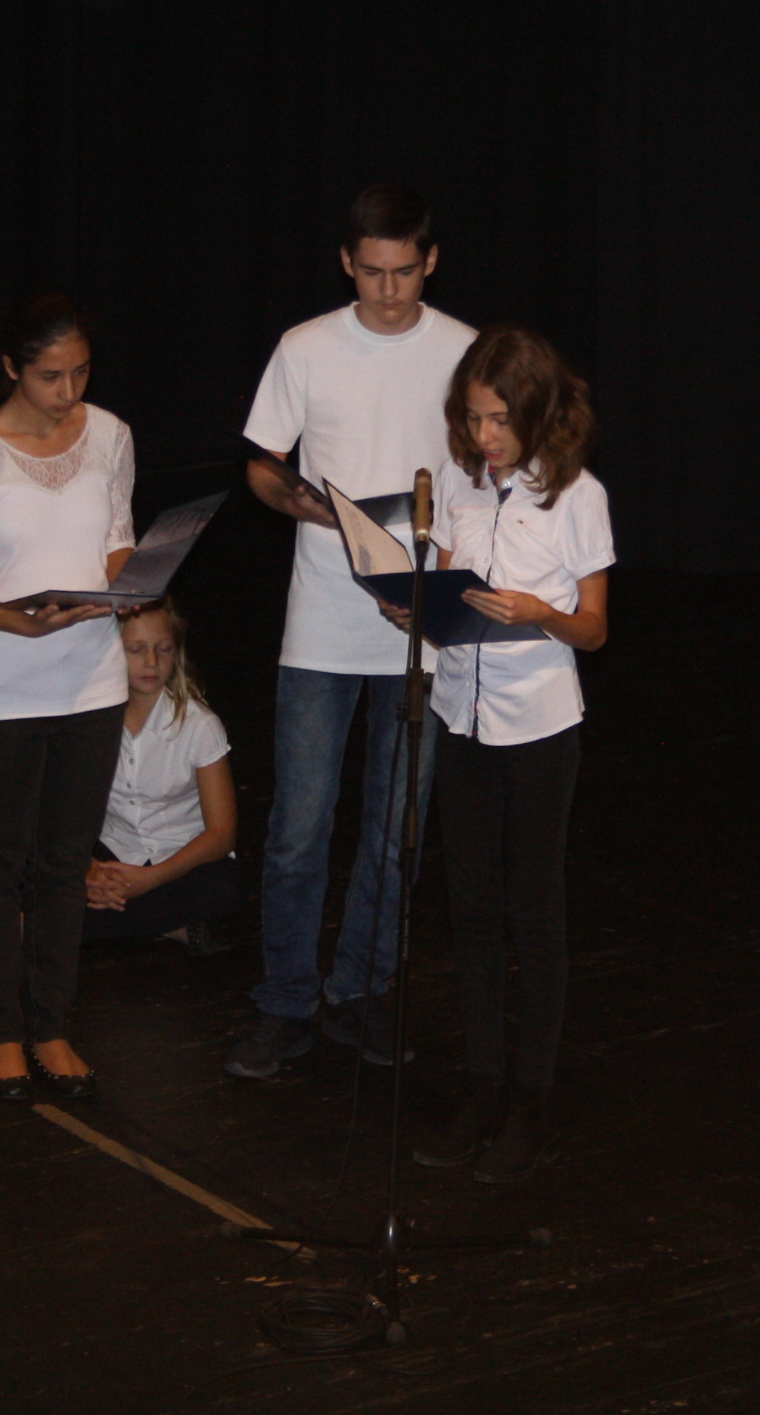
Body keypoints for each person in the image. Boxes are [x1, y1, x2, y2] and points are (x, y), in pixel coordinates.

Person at [225, 184, 477, 1080]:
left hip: (421, 622)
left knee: (397, 828)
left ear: (430, 262)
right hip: (324, 621)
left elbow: (484, 476)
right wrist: (303, 502)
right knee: (299, 827)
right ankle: (285, 1002)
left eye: (405, 271)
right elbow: (262, 464)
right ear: (347, 263)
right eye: (372, 273)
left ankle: (361, 990)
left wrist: (445, 573)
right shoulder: (307, 347)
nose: (389, 290)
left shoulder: (464, 351)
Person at [0, 292, 135, 1103]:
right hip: (3, 690)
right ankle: (0, 1032)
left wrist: (120, 588)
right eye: (51, 376)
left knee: (64, 864)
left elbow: (118, 538)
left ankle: (50, 1024)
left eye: (81, 372)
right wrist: (12, 619)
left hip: (93, 682)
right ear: (12, 366)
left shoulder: (110, 435)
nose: (68, 391)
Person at [412, 327, 613, 1183]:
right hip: (460, 717)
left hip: (538, 726)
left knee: (534, 912)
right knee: (471, 910)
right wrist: (416, 608)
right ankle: (483, 1086)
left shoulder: (578, 495)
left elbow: (594, 630)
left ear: (536, 412)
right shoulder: (459, 484)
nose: (484, 435)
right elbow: (449, 598)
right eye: (472, 418)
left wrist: (540, 614)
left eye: (500, 419)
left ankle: (531, 1102)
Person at [82, 596, 241, 951]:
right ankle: (164, 922)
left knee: (221, 890)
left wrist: (150, 879)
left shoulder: (199, 725)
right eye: (136, 650)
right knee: (39, 866)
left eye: (163, 649)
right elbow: (61, 812)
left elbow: (221, 834)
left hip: (180, 858)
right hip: (113, 850)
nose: (151, 662)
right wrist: (89, 870)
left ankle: (57, 925)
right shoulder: (89, 720)